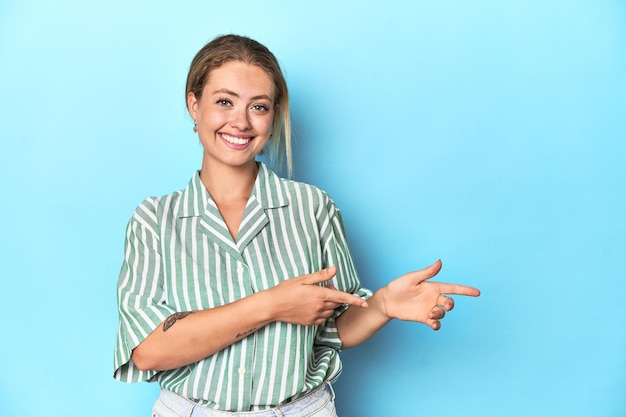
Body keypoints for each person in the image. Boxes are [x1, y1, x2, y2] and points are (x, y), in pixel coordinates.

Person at [113, 34, 480, 417]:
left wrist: (382, 305)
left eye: (259, 106)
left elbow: (335, 327)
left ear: (273, 117)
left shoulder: (313, 208)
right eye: (224, 102)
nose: (240, 121)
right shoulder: (154, 220)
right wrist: (273, 304)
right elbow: (148, 350)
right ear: (194, 104)